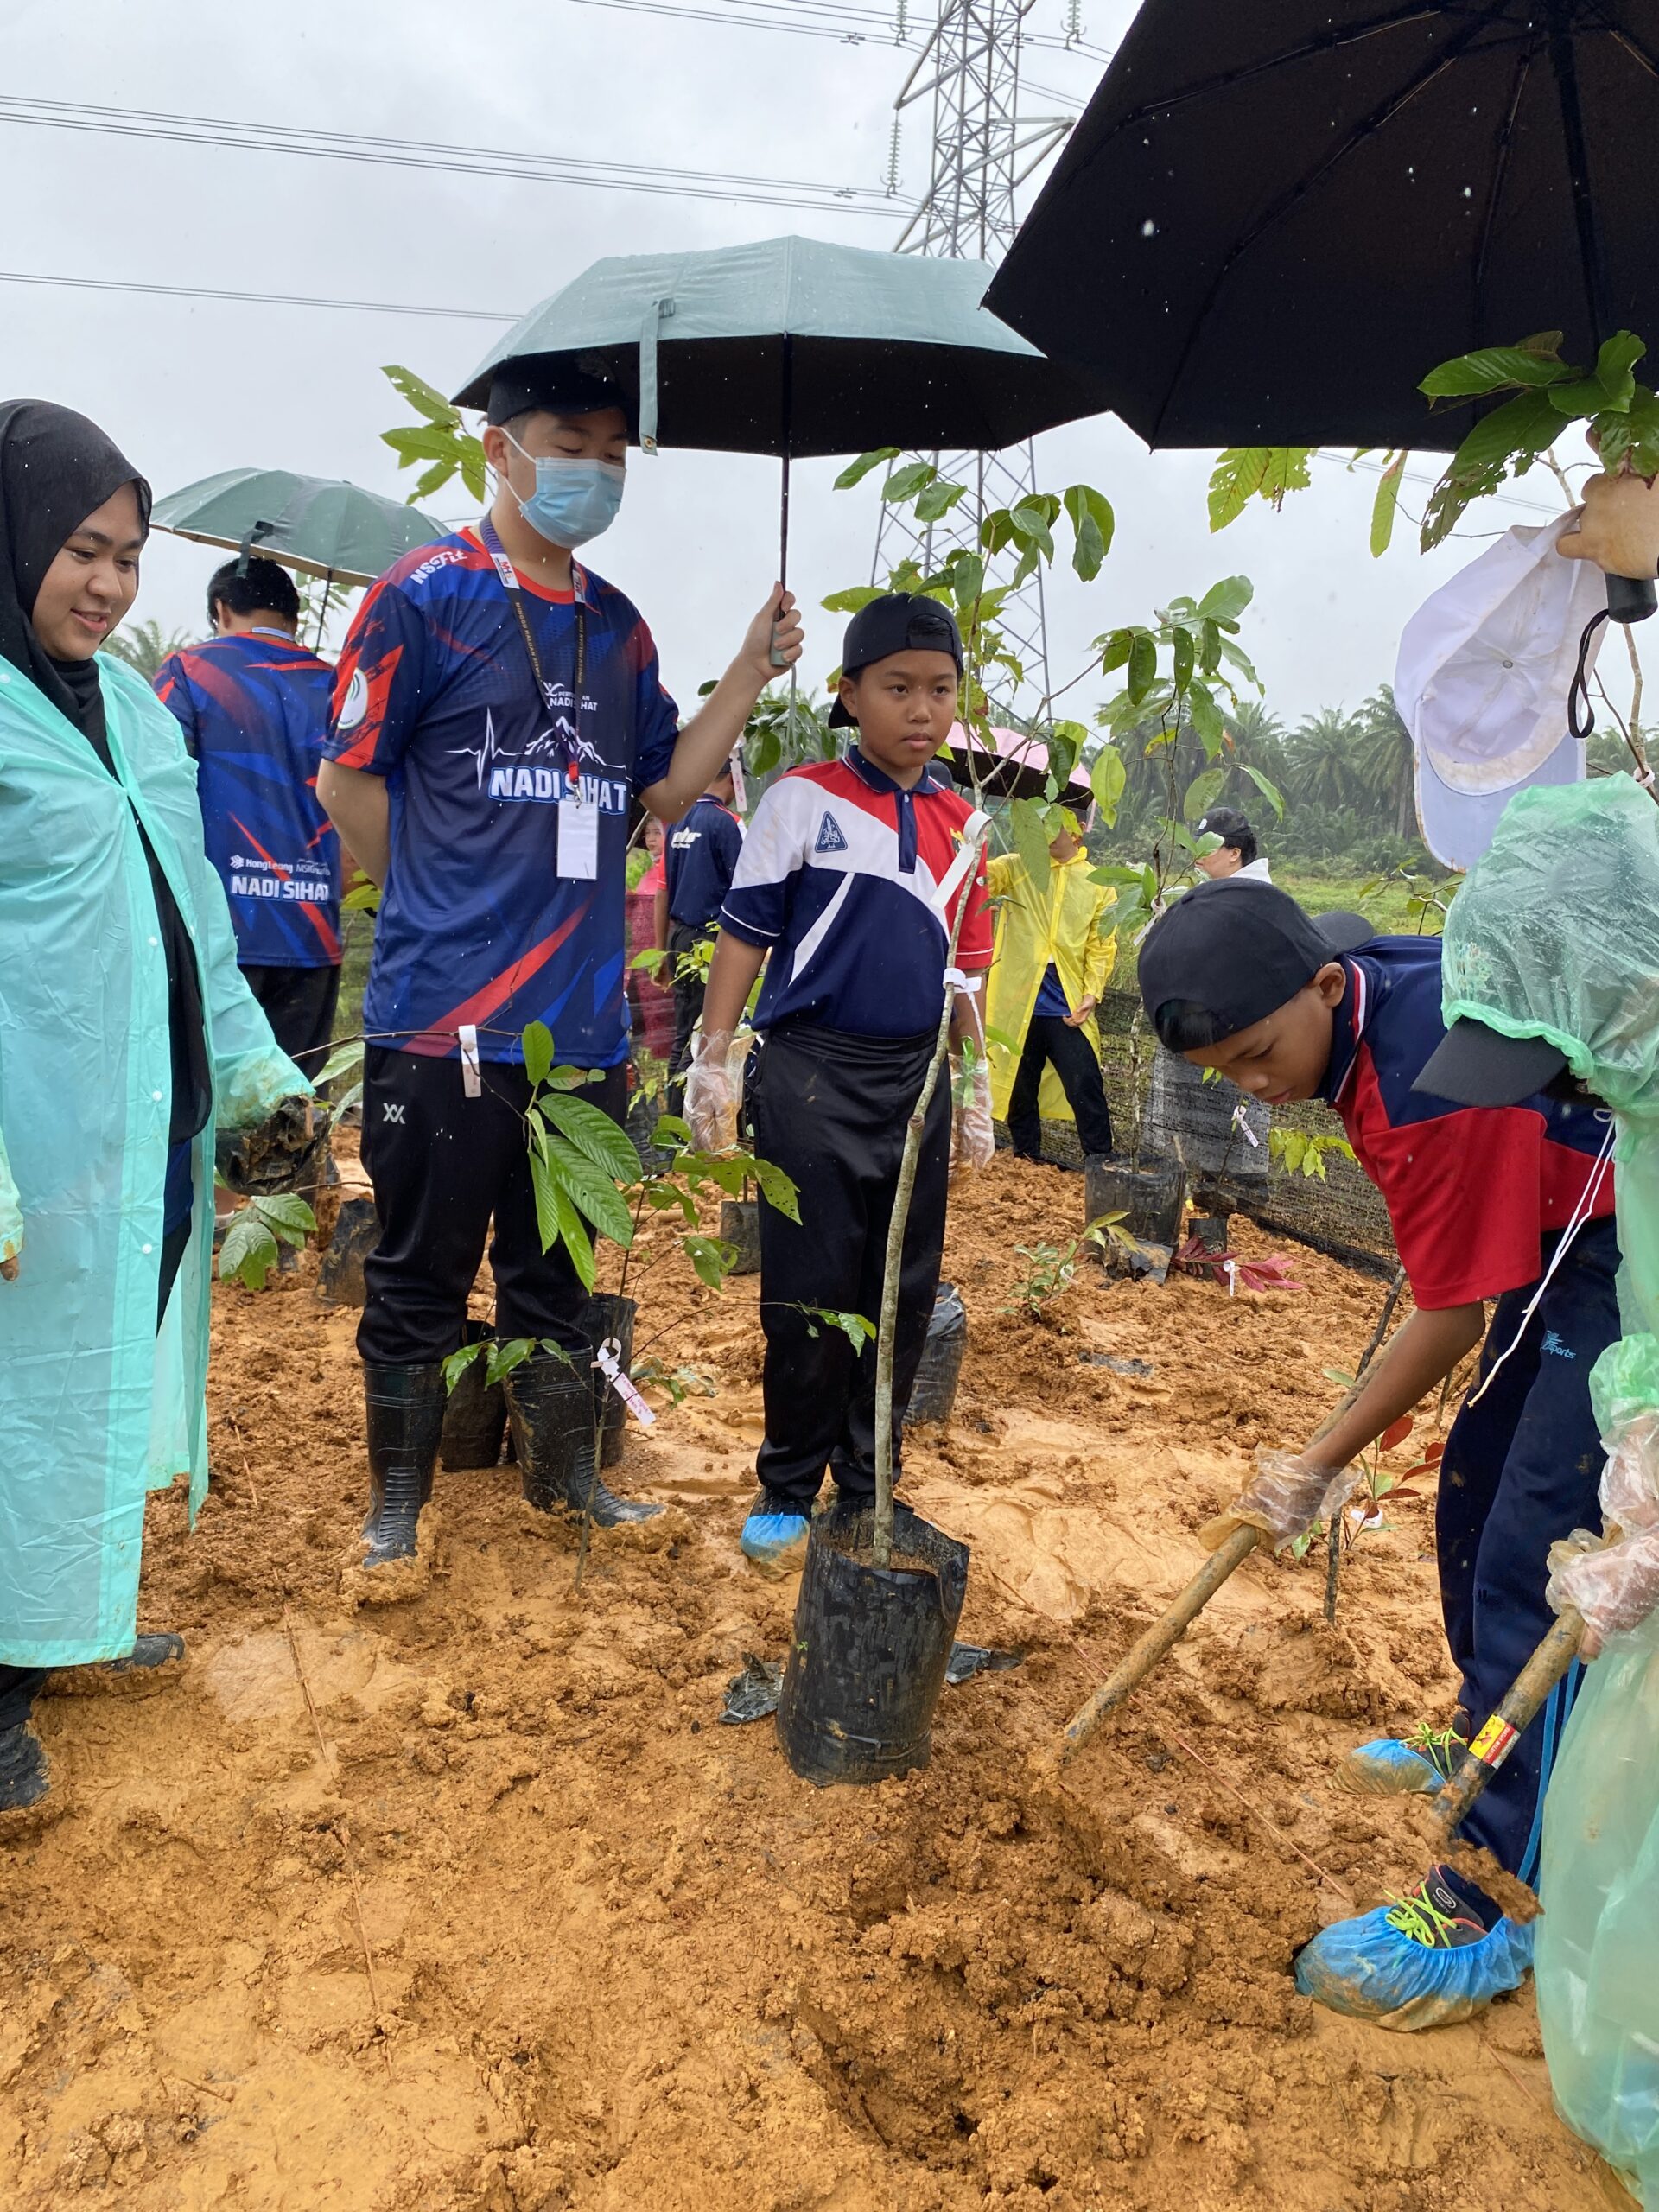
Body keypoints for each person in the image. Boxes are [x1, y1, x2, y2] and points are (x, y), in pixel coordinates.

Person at [317, 354, 802, 1566]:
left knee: (561, 1271)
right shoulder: (425, 596)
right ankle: (397, 1506)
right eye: (569, 445)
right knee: (420, 1276)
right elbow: (345, 777)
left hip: (578, 1029)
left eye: (613, 453)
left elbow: (667, 791)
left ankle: (566, 1476)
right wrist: (431, 901)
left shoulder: (617, 630)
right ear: (500, 448)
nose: (593, 471)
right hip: (444, 1020)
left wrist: (749, 668)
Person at [1138, 880, 1619, 2029]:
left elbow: (1450, 1317)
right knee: (1473, 1497)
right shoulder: (1351, 985)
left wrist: (1313, 1463)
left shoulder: (1424, 1093)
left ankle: (1486, 1898)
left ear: (1319, 987)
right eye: (1226, 1077)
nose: (1258, 1088)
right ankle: (1479, 1728)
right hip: (1557, 1242)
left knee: (1536, 1559)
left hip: (1614, 1256)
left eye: (1259, 1055)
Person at [0, 401, 310, 1810]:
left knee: (102, 1391)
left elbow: (197, 920)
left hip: (147, 1134)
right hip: (34, 1143)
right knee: (18, 1403)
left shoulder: (136, 704)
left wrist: (254, 1075)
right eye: (80, 549)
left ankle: (66, 1621)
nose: (110, 584)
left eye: (127, 556)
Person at [688, 593, 994, 1572]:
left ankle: (869, 1486)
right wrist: (715, 1056)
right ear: (850, 693)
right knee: (808, 1292)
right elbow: (746, 935)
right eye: (898, 687)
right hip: (812, 1076)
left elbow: (966, 974)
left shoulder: (965, 825)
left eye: (940, 690)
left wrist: (973, 1090)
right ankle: (787, 1481)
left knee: (898, 1291)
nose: (921, 710)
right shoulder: (800, 801)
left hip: (913, 1085)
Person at [153, 556, 343, 1073]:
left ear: (220, 608)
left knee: (207, 1105)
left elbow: (158, 790)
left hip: (219, 929)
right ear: (294, 615)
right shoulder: (340, 687)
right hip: (312, 931)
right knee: (296, 1110)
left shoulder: (188, 672)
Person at [1144, 806, 1274, 1190]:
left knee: (1234, 1120)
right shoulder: (1199, 894)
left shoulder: (1259, 897)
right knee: (1190, 1117)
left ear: (1235, 852)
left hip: (1238, 1031)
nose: (1197, 855)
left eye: (1208, 846)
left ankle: (1239, 1191)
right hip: (1194, 1028)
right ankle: (1196, 1182)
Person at [983, 817, 1116, 1169]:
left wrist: (1091, 993)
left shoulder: (1097, 884)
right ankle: (1026, 1159)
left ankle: (1100, 1162)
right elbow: (980, 878)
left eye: (1051, 829)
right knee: (1019, 1085)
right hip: (1019, 1002)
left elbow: (1101, 945)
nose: (1043, 837)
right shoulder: (1017, 868)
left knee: (1084, 1082)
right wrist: (972, 838)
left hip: (1067, 1005)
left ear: (1075, 832)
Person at [664, 757, 743, 1103]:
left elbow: (665, 887)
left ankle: (670, 1122)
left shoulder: (677, 822)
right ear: (728, 779)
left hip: (679, 937)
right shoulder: (727, 823)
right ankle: (693, 1118)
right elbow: (747, 887)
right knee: (708, 1033)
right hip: (710, 940)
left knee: (683, 1030)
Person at [626, 816, 676, 1063]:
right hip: (641, 959)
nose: (652, 839)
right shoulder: (648, 872)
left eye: (658, 832)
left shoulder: (672, 871)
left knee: (665, 1021)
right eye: (648, 833)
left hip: (660, 955)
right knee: (645, 1019)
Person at [1192, 804, 1272, 884]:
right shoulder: (1212, 890)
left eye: (1207, 850)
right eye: (1196, 849)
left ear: (1234, 854)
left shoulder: (1251, 893)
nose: (1196, 858)